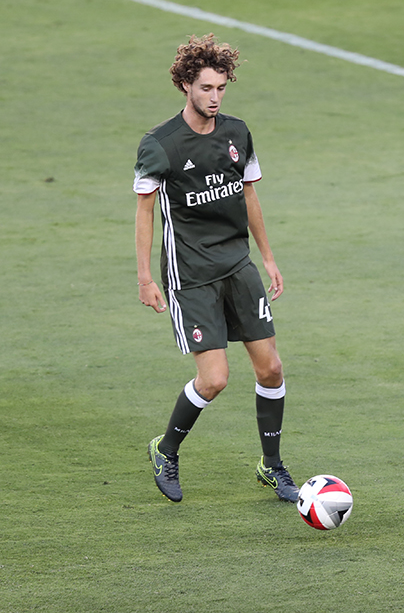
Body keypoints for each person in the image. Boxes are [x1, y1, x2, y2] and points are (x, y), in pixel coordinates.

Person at [134, 33, 298, 504]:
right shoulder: (159, 145)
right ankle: (166, 450)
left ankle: (272, 466)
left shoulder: (237, 133)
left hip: (237, 263)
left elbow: (250, 196)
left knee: (270, 369)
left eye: (221, 88)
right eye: (206, 87)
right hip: (191, 275)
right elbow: (144, 211)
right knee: (215, 379)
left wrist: (266, 257)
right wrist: (146, 278)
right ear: (186, 84)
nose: (215, 97)